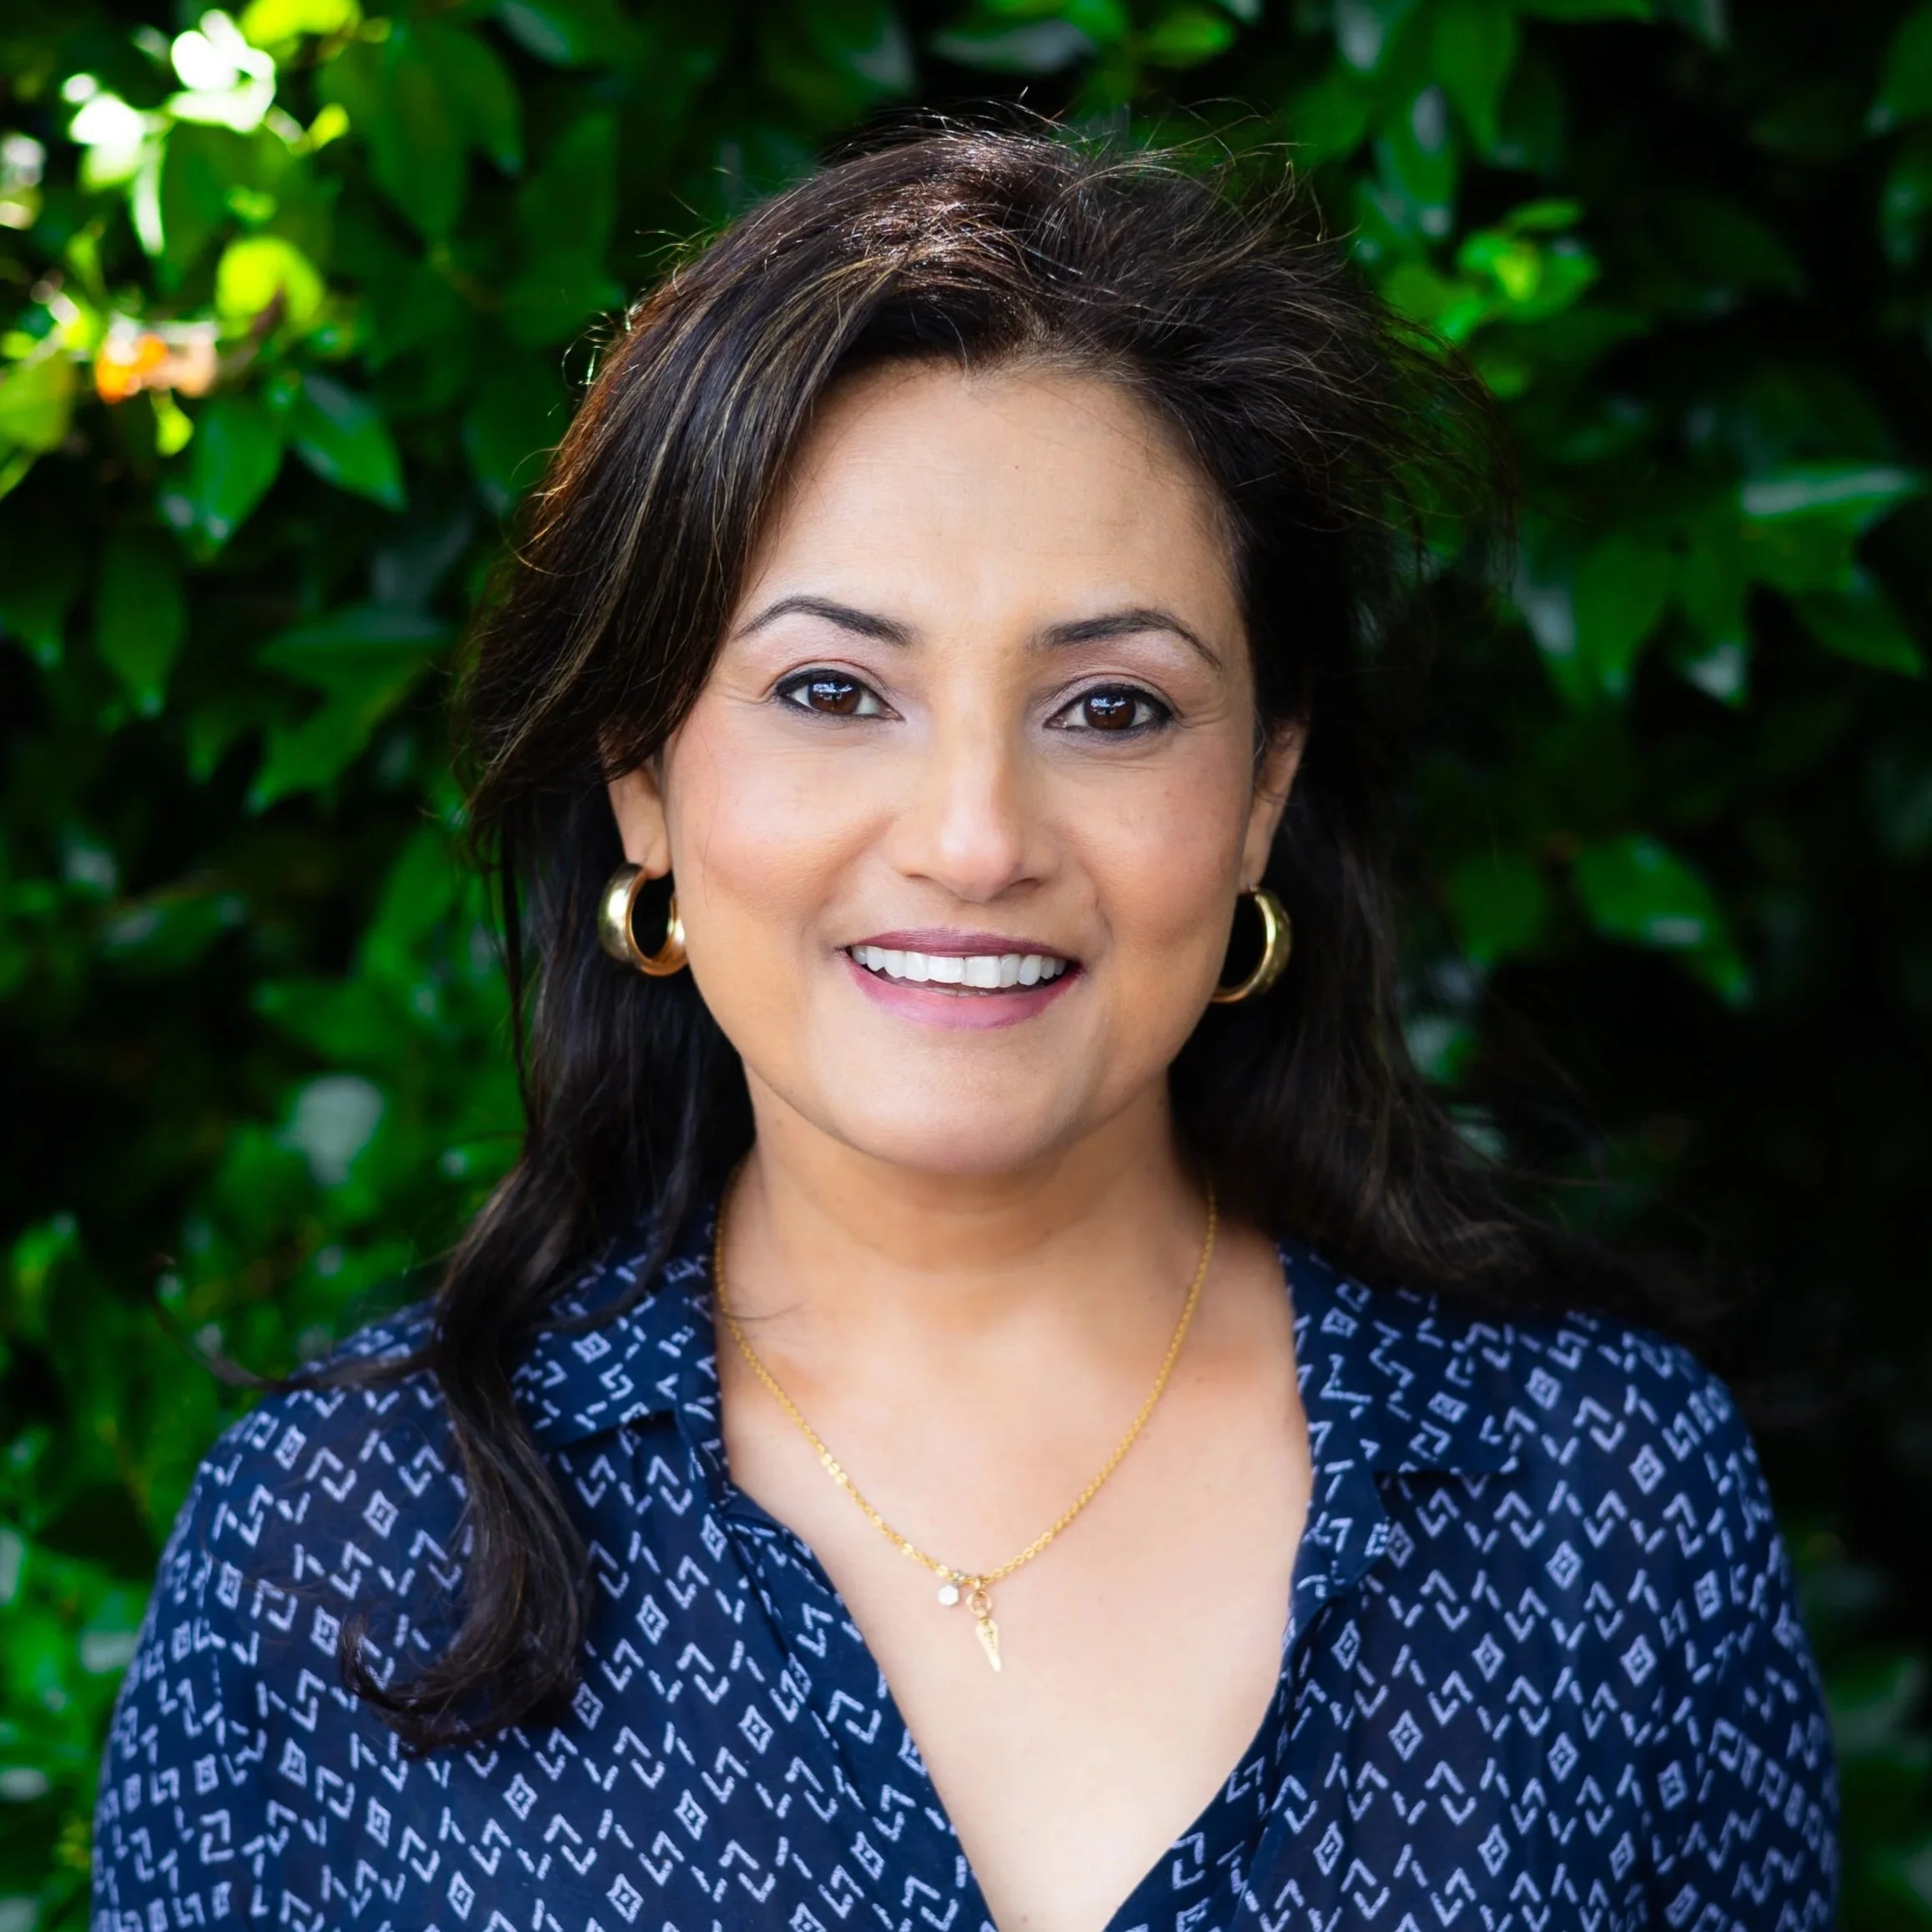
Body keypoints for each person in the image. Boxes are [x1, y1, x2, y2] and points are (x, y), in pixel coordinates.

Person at [90, 123, 1838, 1932]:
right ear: (642, 782)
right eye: (835, 690)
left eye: (1110, 706)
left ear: (1260, 793)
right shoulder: (341, 1555)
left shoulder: (1601, 1507)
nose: (975, 838)